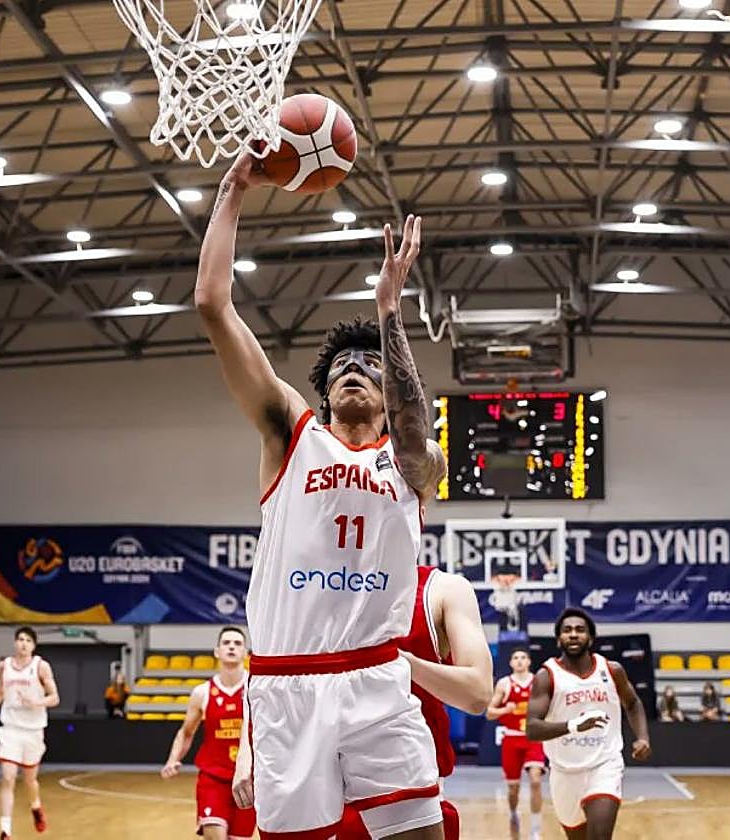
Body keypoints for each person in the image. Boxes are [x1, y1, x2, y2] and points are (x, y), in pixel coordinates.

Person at [198, 152, 444, 839]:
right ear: (321, 388)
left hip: (377, 679)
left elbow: (416, 437)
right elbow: (211, 306)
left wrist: (389, 316)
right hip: (289, 683)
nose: (354, 372)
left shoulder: (414, 461)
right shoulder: (290, 432)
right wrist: (232, 192)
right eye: (340, 366)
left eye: (368, 365)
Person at [257, 565, 492, 840]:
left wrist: (396, 662)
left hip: (407, 788)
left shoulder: (442, 589)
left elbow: (478, 693)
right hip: (314, 784)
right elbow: (267, 672)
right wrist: (246, 755)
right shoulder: (305, 582)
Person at [526, 608, 651, 840]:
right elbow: (532, 728)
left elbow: (633, 703)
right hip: (564, 771)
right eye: (567, 630)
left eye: (580, 630)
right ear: (558, 639)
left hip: (604, 764)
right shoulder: (547, 676)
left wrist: (642, 737)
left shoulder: (612, 671)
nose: (573, 634)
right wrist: (574, 725)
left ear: (591, 638)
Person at [161, 627, 254, 840]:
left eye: (238, 643)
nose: (231, 646)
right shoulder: (202, 692)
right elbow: (186, 732)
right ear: (217, 651)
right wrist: (173, 759)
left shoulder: (255, 689)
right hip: (213, 778)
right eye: (226, 643)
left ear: (246, 653)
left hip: (248, 778)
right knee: (215, 835)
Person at [0, 626, 59, 839]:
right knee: (8, 777)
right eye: (20, 639)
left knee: (30, 780)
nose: (23, 643)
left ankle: (36, 806)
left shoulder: (41, 666)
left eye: (28, 640)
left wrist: (36, 702)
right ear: (15, 642)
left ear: (34, 645)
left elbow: (55, 697)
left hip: (33, 730)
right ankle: (5, 830)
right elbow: (0, 693)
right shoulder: (5, 666)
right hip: (10, 729)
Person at [487, 649, 547, 840]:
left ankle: (536, 829)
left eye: (523, 658)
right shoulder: (505, 683)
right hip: (511, 739)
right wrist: (506, 709)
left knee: (536, 781)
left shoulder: (538, 682)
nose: (519, 661)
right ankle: (513, 813)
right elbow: (489, 713)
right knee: (513, 789)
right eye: (515, 658)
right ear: (511, 663)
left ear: (529, 661)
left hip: (533, 737)